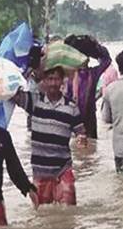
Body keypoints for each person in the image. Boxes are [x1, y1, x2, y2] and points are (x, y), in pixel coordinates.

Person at [13, 45, 88, 205]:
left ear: (63, 81)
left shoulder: (71, 107)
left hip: (63, 169)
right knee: (42, 214)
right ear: (44, 81)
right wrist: (32, 69)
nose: (53, 83)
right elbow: (13, 94)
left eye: (57, 79)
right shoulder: (34, 101)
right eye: (50, 79)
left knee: (69, 213)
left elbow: (81, 131)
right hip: (40, 171)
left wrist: (82, 138)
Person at [65, 35, 111, 139]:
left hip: (88, 119)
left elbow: (107, 60)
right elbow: (107, 60)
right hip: (73, 119)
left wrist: (96, 46)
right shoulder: (69, 74)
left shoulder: (91, 73)